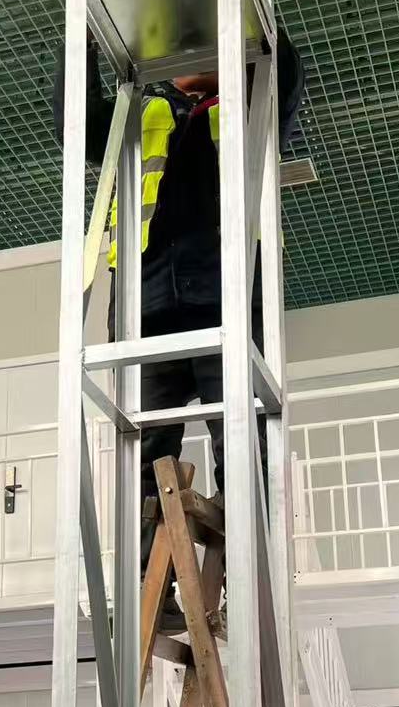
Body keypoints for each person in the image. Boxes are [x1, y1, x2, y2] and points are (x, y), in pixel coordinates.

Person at [54, 28, 306, 549]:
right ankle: (147, 567)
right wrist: (83, 41)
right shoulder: (140, 110)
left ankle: (249, 562)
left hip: (227, 296)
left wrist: (241, 19)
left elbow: (282, 69)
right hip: (144, 303)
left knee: (241, 435)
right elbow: (75, 122)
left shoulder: (248, 107)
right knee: (144, 445)